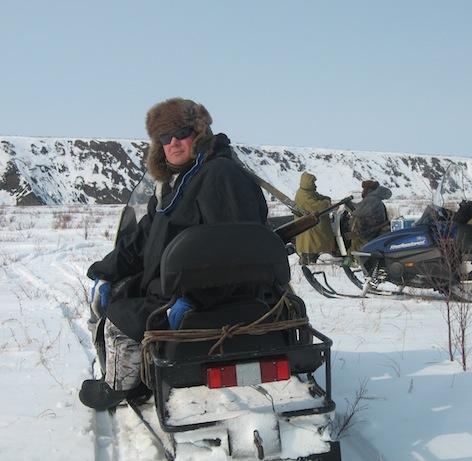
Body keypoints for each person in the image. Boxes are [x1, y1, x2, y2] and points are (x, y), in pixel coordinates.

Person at [79, 98, 268, 410]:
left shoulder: (220, 176)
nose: (174, 143)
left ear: (199, 133)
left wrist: (196, 299)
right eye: (165, 137)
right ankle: (143, 373)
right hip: (172, 288)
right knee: (122, 295)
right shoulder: (173, 186)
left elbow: (238, 250)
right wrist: (104, 271)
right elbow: (142, 239)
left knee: (120, 319)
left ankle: (120, 387)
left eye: (181, 133)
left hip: (200, 295)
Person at [343, 180, 392, 266]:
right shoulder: (375, 199)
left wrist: (348, 204)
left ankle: (349, 264)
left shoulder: (371, 200)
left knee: (355, 248)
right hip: (374, 231)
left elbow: (357, 212)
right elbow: (360, 208)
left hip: (369, 234)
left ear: (368, 190)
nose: (362, 191)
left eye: (364, 189)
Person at [294, 172, 336, 265]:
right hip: (309, 228)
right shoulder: (303, 196)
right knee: (310, 248)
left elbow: (322, 198)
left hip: (311, 226)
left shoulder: (308, 192)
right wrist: (326, 202)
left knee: (314, 246)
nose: (315, 185)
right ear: (308, 183)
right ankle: (308, 264)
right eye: (313, 182)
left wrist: (325, 200)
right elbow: (317, 206)